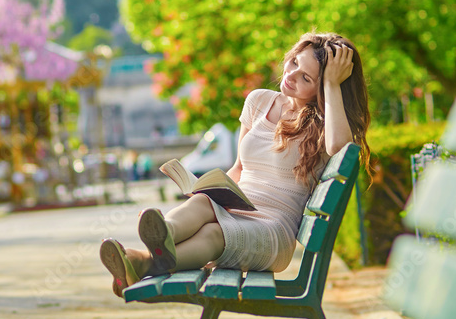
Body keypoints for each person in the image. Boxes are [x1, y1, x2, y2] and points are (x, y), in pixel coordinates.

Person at [99, 32, 371, 297]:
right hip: (239, 207)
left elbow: (341, 149)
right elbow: (239, 169)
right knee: (202, 202)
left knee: (213, 234)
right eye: (295, 63)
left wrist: (333, 85)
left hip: (273, 229)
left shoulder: (324, 122)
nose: (290, 75)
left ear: (322, 87)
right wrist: (206, 189)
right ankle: (161, 236)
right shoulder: (259, 101)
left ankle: (145, 258)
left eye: (306, 78)